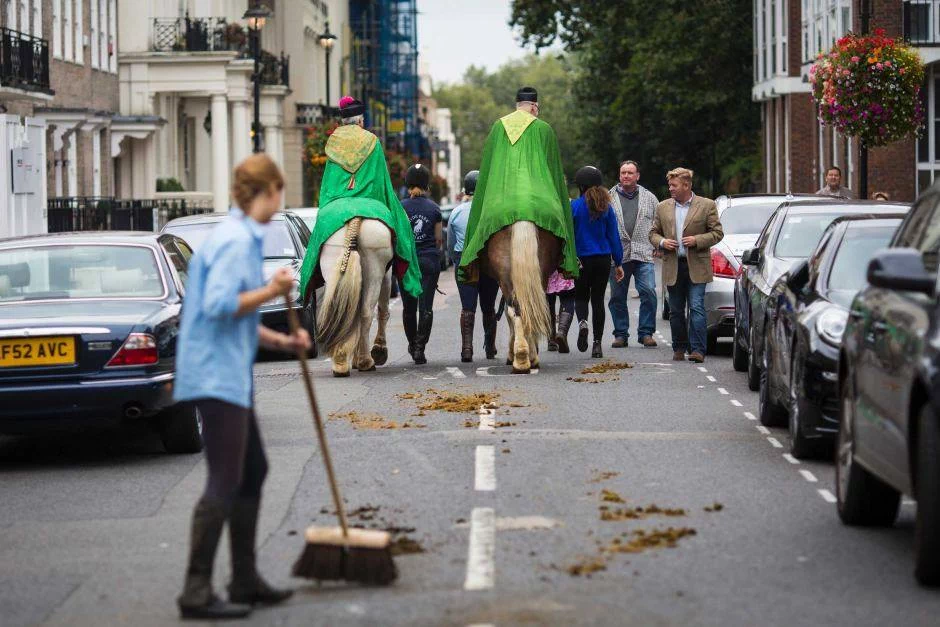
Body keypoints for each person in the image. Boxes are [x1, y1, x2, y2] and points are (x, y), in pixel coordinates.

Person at [174, 154, 312, 620]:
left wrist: (283, 339)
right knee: (225, 479)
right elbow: (218, 306)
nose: (282, 200)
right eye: (281, 191)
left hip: (227, 369)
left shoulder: (240, 237)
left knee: (252, 470)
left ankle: (245, 579)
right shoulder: (235, 240)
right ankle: (196, 590)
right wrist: (274, 290)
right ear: (268, 190)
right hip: (215, 376)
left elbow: (241, 318)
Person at [298, 95, 423, 351]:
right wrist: (388, 210)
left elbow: (328, 186)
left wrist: (328, 209)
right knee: (401, 234)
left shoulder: (332, 143)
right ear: (362, 120)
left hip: (337, 207)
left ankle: (307, 285)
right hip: (370, 203)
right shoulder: (373, 141)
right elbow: (381, 182)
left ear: (342, 121)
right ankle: (365, 350)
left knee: (317, 242)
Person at [457, 86, 579, 297]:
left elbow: (486, 173)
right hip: (539, 204)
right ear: (534, 107)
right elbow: (555, 174)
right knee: (560, 236)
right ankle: (568, 258)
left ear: (516, 106)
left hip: (502, 204)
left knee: (481, 235)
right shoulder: (544, 129)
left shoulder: (497, 127)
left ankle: (472, 261)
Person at [649, 167, 724, 363]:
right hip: (673, 265)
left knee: (697, 307)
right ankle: (679, 347)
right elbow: (653, 233)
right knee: (675, 310)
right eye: (669, 185)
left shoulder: (706, 205)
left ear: (686, 185)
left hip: (697, 265)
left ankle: (698, 349)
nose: (671, 189)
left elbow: (717, 233)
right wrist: (663, 242)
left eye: (674, 185)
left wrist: (698, 240)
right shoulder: (663, 207)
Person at [570, 165, 624, 359]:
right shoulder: (606, 208)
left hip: (581, 259)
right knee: (598, 300)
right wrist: (618, 263)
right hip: (602, 259)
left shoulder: (574, 207)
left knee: (581, 297)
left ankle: (582, 322)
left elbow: (568, 236)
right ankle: (597, 344)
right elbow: (613, 237)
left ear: (581, 186)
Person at [448, 170, 500, 361]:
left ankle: (467, 349)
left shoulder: (456, 212)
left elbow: (451, 245)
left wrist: (457, 262)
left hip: (465, 260)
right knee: (489, 307)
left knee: (467, 307)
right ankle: (490, 348)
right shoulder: (493, 210)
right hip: (488, 261)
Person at [607, 160, 660, 349]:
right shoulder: (608, 197)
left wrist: (659, 244)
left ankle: (646, 333)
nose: (626, 176)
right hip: (618, 255)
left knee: (648, 291)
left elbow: (658, 223)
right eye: (623, 173)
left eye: (630, 173)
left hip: (643, 252)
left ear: (638, 176)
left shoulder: (650, 198)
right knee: (617, 296)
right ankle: (620, 334)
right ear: (619, 175)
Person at [401, 163, 442, 364]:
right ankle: (419, 348)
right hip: (428, 261)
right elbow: (438, 239)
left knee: (409, 308)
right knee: (425, 307)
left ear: (408, 184)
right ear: (427, 184)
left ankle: (411, 344)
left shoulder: (400, 207)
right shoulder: (434, 208)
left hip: (407, 263)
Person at [547, 270, 575, 352]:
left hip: (548, 268)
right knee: (567, 298)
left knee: (549, 301)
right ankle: (561, 332)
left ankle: (551, 338)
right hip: (564, 265)